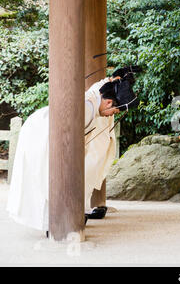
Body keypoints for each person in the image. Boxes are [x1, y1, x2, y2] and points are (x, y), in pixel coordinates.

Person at [6, 68, 139, 235]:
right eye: (114, 111)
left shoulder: (97, 98)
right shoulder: (88, 108)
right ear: (109, 103)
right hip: (41, 133)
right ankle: (55, 224)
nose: (111, 115)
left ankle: (55, 221)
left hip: (45, 130)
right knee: (47, 177)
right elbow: (67, 137)